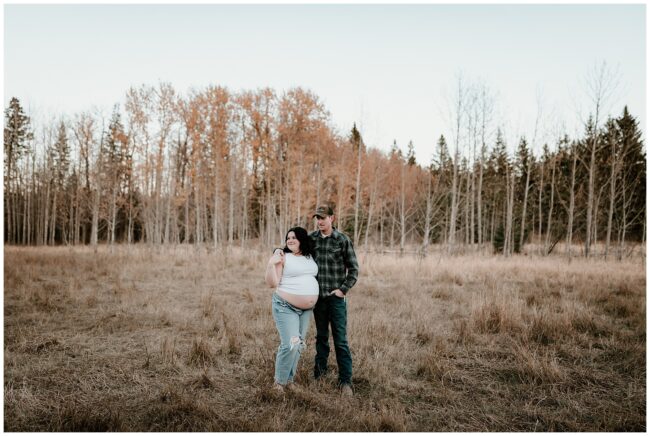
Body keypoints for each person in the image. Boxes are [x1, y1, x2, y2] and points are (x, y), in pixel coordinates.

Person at [310, 204, 359, 397]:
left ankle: (345, 381)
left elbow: (354, 269)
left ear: (332, 218)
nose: (320, 221)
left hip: (336, 299)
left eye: (323, 217)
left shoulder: (342, 240)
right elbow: (293, 248)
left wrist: (342, 290)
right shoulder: (311, 239)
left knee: (340, 340)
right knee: (321, 338)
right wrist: (277, 252)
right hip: (318, 299)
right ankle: (319, 375)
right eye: (317, 218)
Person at [265, 226, 319, 394]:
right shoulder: (283, 256)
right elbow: (272, 283)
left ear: (302, 239)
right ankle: (278, 384)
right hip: (285, 306)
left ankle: (289, 380)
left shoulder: (310, 257)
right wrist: (270, 265)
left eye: (294, 237)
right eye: (288, 237)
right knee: (290, 345)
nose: (290, 240)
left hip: (306, 310)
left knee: (299, 345)